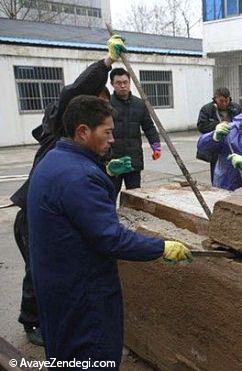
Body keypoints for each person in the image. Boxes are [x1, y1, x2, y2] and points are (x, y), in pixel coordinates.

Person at [27, 95, 192, 368]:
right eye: (108, 132)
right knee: (93, 355)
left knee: (64, 354)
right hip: (83, 291)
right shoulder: (79, 176)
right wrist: (161, 247)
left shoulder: (55, 159)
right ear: (83, 131)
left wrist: (102, 171)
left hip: (56, 285)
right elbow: (110, 238)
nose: (112, 139)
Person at [8, 34, 127, 346]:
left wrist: (108, 171)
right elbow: (74, 90)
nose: (103, 110)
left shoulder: (89, 145)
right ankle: (32, 322)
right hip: (34, 214)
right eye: (98, 103)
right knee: (38, 270)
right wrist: (106, 63)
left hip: (57, 211)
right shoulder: (59, 128)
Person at [109, 68, 161, 197]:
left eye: (125, 82)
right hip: (113, 160)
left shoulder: (140, 104)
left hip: (133, 159)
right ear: (112, 84)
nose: (122, 86)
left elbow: (149, 127)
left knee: (135, 195)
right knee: (109, 195)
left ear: (130, 82)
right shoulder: (106, 104)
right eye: (118, 83)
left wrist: (156, 146)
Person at [196, 87, 242, 183]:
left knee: (235, 170)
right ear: (215, 98)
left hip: (233, 144)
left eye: (226, 101)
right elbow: (202, 126)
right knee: (217, 171)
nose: (224, 103)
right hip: (216, 145)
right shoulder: (207, 109)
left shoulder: (236, 108)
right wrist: (218, 126)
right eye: (221, 101)